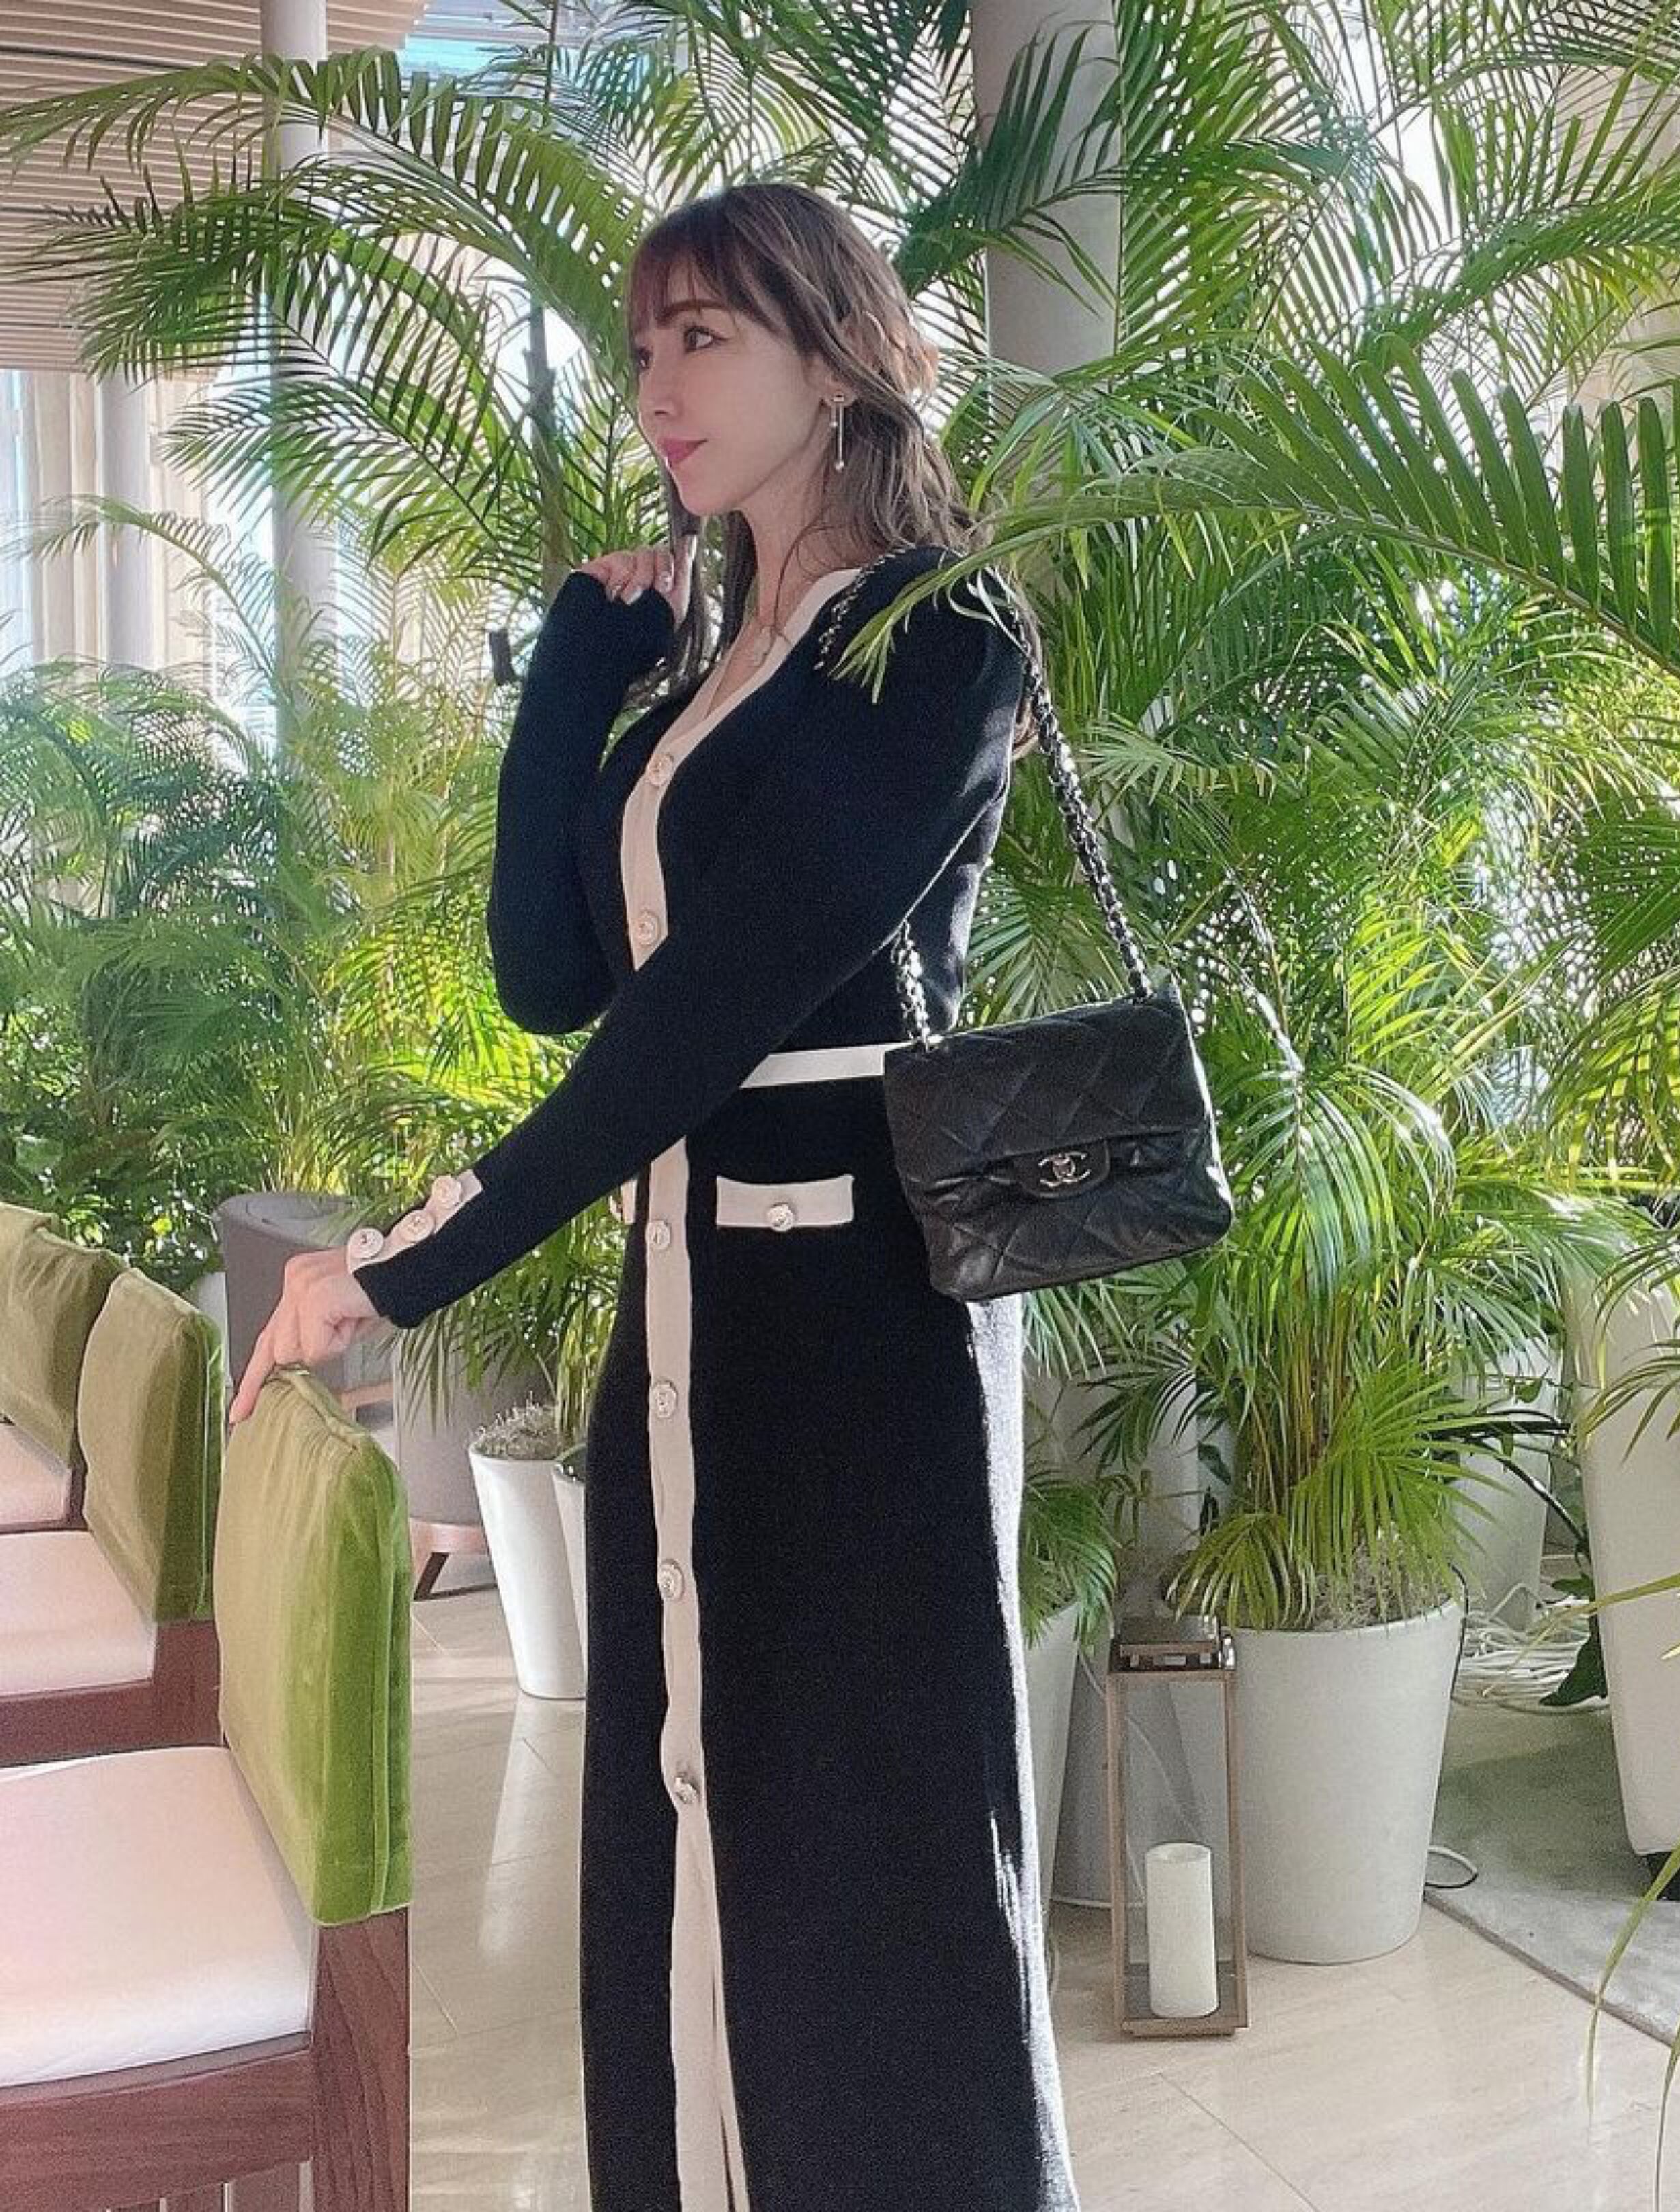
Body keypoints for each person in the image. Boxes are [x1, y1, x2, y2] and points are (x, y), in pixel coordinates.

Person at [227, 180, 1083, 2212]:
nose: (657, 388)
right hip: (687, 1322)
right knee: (680, 1827)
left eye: (704, 337)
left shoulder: (938, 638)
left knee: (873, 1859)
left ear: (834, 354)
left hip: (865, 1341)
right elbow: (554, 977)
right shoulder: (703, 666)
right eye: (641, 348)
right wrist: (574, 672)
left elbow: (706, 1017)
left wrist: (402, 1265)